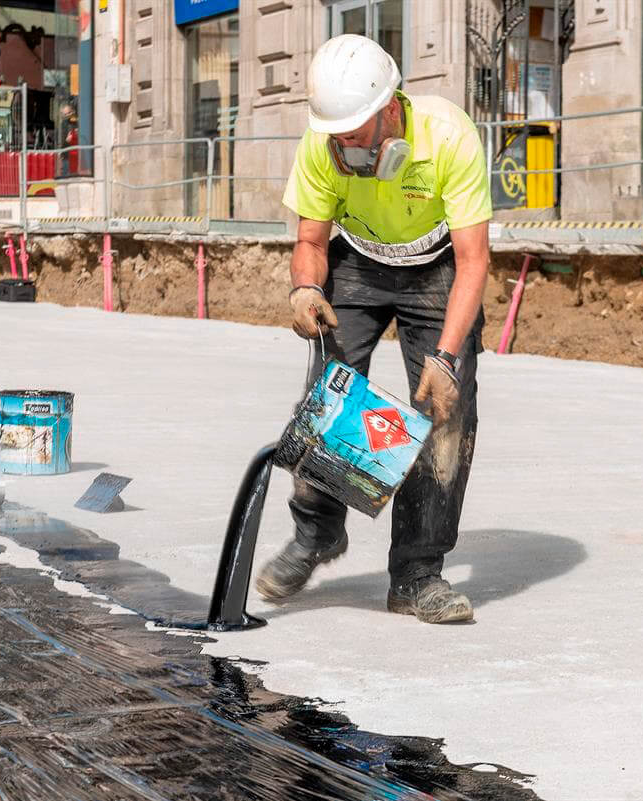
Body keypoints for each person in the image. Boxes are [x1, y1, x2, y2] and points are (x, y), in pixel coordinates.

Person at [254, 34, 492, 624]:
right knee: (330, 395)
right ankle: (317, 534)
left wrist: (443, 359)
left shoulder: (450, 136)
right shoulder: (322, 144)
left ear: (391, 109)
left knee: (447, 410)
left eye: (355, 136)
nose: (344, 149)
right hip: (359, 259)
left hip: (437, 265)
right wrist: (305, 287)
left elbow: (474, 262)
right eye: (335, 137)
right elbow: (311, 241)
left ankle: (416, 574)